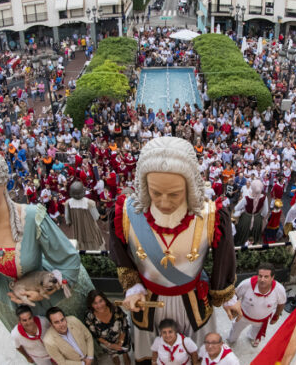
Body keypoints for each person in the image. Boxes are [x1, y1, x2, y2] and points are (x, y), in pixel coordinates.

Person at [109, 137, 238, 364]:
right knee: (149, 351)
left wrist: (226, 295)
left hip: (192, 299)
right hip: (147, 299)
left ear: (190, 186)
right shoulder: (126, 213)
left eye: (175, 194)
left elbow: (223, 258)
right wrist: (132, 286)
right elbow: (118, 253)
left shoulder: (211, 216)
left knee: (194, 349)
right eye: (156, 193)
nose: (164, 202)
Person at [0, 149, 94, 329]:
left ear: (4, 184)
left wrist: (45, 291)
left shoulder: (31, 218)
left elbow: (68, 258)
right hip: (7, 303)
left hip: (50, 299)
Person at [227, 262, 287, 347]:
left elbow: (281, 303)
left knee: (255, 334)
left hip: (262, 320)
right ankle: (231, 340)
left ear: (272, 277)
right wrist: (233, 309)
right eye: (260, 276)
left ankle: (252, 337)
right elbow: (235, 295)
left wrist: (276, 316)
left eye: (266, 277)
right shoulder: (246, 284)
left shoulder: (279, 290)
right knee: (234, 331)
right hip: (243, 316)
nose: (262, 279)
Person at [84, 290, 131, 365]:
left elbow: (124, 326)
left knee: (126, 356)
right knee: (115, 359)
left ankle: (125, 355)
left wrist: (121, 342)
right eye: (95, 303)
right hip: (106, 343)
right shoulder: (90, 317)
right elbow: (96, 335)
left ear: (105, 299)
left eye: (101, 301)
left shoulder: (115, 308)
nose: (99, 306)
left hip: (122, 337)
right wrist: (110, 345)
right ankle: (115, 356)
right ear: (91, 304)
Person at [64, 181, 104, 250]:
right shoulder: (90, 203)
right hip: (90, 227)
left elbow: (67, 219)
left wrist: (70, 222)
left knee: (79, 239)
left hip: (77, 227)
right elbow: (96, 217)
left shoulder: (68, 202)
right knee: (92, 237)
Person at [233, 179, 268, 245]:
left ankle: (242, 245)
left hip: (246, 218)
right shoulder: (264, 197)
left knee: (243, 232)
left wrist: (242, 209)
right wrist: (261, 216)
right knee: (255, 233)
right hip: (257, 218)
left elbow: (236, 208)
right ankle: (254, 245)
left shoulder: (247, 198)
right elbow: (265, 211)